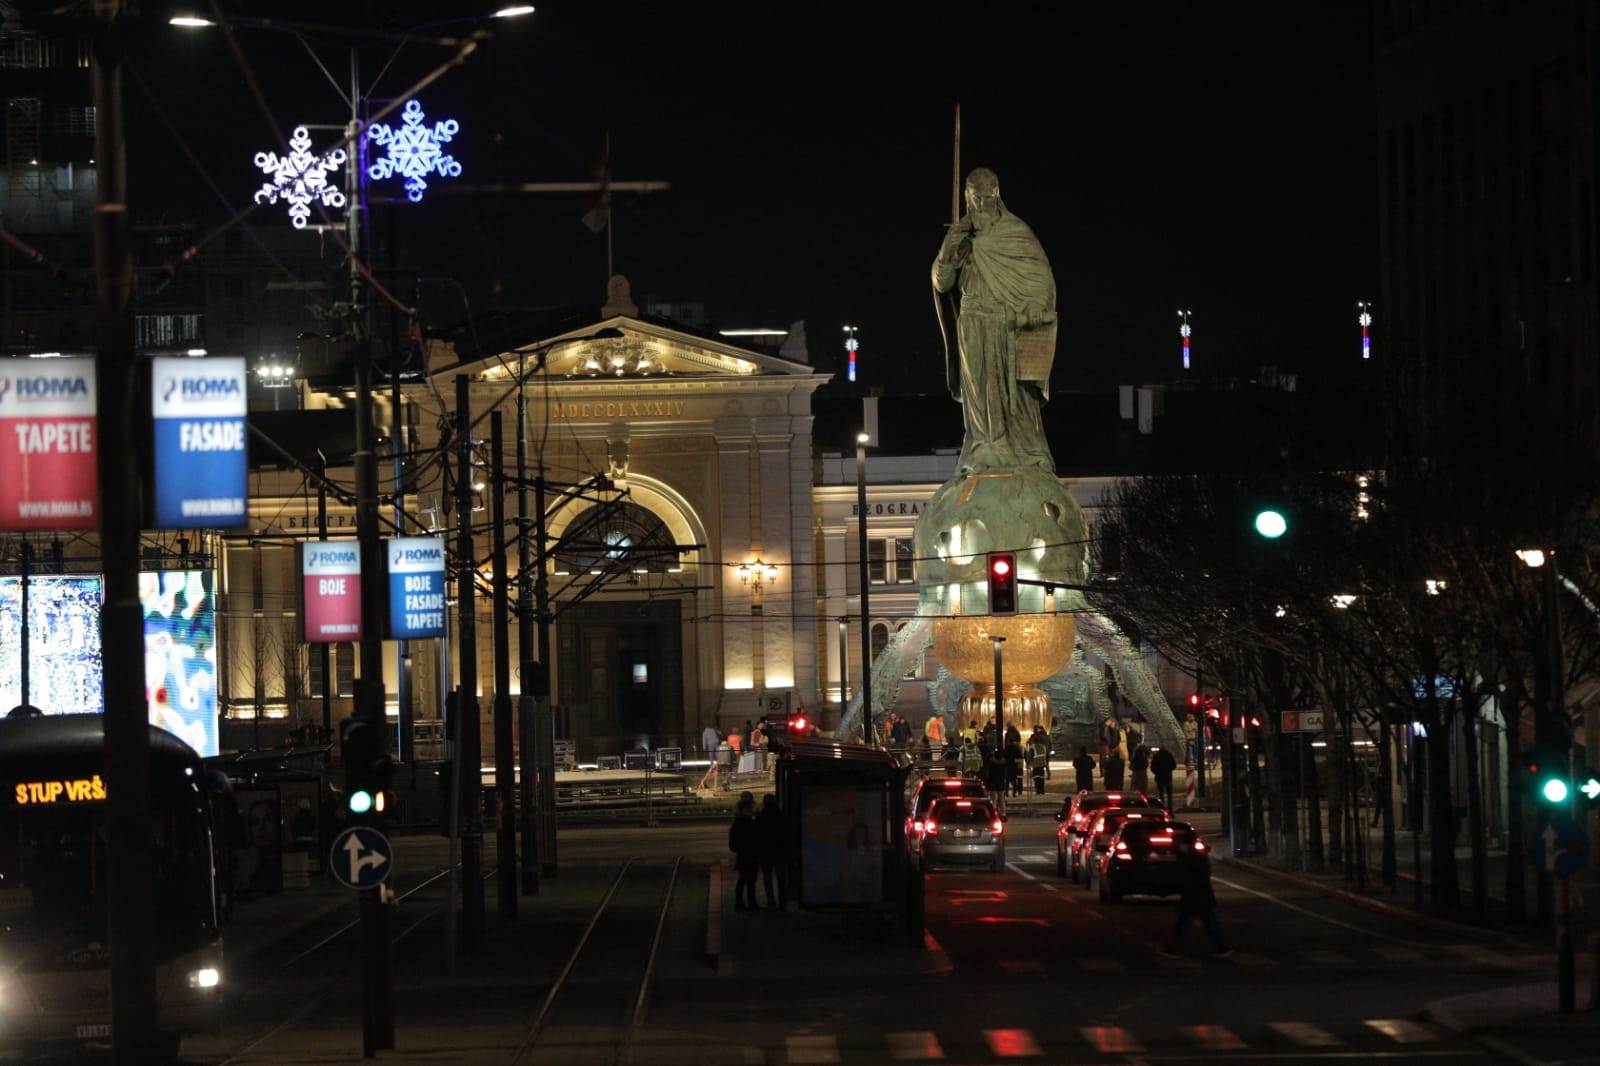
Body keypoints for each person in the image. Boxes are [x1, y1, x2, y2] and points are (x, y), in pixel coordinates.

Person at [1160, 838, 1231, 957]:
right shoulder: (1197, 858)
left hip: (1194, 897)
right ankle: (1223, 948)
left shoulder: (1189, 859)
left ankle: (1174, 948)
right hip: (1202, 896)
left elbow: (1186, 879)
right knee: (1209, 923)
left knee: (1185, 924)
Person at [756, 794, 789, 910]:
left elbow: (758, 835)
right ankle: (783, 903)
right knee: (782, 880)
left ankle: (771, 902)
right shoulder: (782, 815)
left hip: (766, 852)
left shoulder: (761, 816)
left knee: (768, 879)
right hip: (780, 852)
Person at [729, 794, 760, 911]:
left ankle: (740, 903)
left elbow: (733, 844)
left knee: (743, 879)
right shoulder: (749, 822)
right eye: (749, 809)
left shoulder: (738, 823)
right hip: (750, 854)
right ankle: (750, 902)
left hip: (744, 855)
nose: (751, 810)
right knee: (749, 880)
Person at [1029, 727, 1050, 795]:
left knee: (1036, 778)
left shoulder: (1033, 747)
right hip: (1042, 764)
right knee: (1041, 777)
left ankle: (1038, 791)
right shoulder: (1043, 746)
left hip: (1036, 764)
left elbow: (1030, 756)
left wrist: (1029, 764)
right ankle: (1042, 791)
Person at [1005, 732, 1024, 797]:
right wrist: (1020, 767)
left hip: (1008, 765)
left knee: (1007, 780)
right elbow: (1020, 757)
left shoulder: (1007, 748)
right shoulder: (1017, 748)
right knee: (1014, 779)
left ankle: (1006, 792)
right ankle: (1014, 793)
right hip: (1015, 765)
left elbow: (1005, 756)